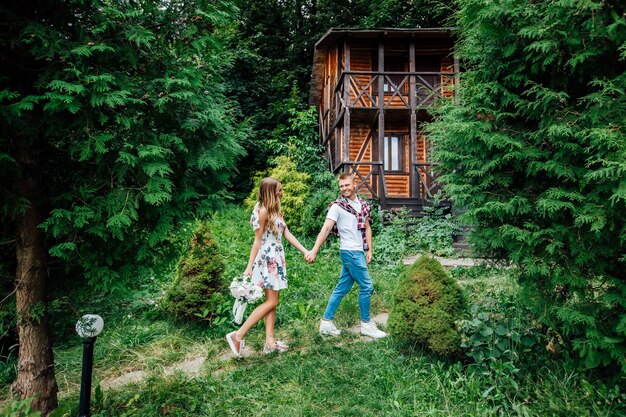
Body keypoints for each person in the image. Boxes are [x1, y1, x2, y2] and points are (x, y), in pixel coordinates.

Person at [226, 177, 310, 357]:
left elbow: (286, 233)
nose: (282, 192)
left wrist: (305, 250)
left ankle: (270, 343)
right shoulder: (262, 211)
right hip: (267, 260)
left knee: (272, 302)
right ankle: (238, 336)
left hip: (276, 258)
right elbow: (257, 241)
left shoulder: (276, 209)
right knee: (272, 301)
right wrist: (249, 267)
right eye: (279, 189)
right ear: (271, 192)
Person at [305, 172, 386, 339]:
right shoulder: (337, 206)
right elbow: (326, 229)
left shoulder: (362, 205)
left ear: (354, 183)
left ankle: (326, 323)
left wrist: (369, 249)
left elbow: (367, 228)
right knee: (367, 286)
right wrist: (314, 249)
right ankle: (366, 324)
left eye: (347, 185)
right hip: (349, 251)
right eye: (341, 186)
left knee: (342, 287)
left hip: (358, 251)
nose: (344, 188)